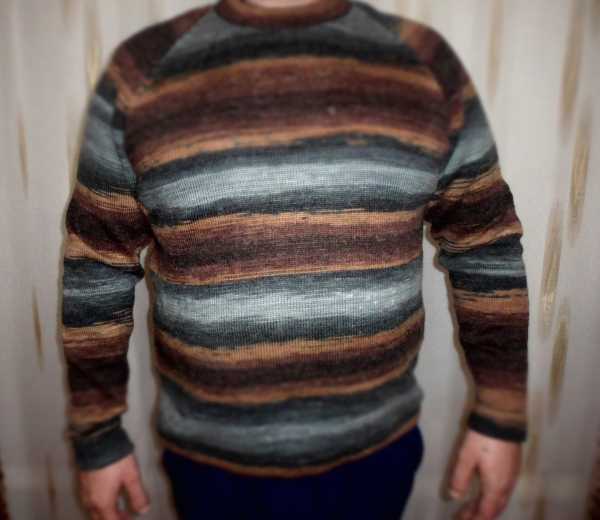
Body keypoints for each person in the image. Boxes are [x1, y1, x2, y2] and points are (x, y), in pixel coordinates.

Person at [59, 0, 530, 518]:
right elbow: (97, 263)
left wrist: (500, 415)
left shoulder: (424, 62)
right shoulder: (143, 69)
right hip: (213, 465)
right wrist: (98, 436)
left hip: (374, 454)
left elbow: (484, 244)